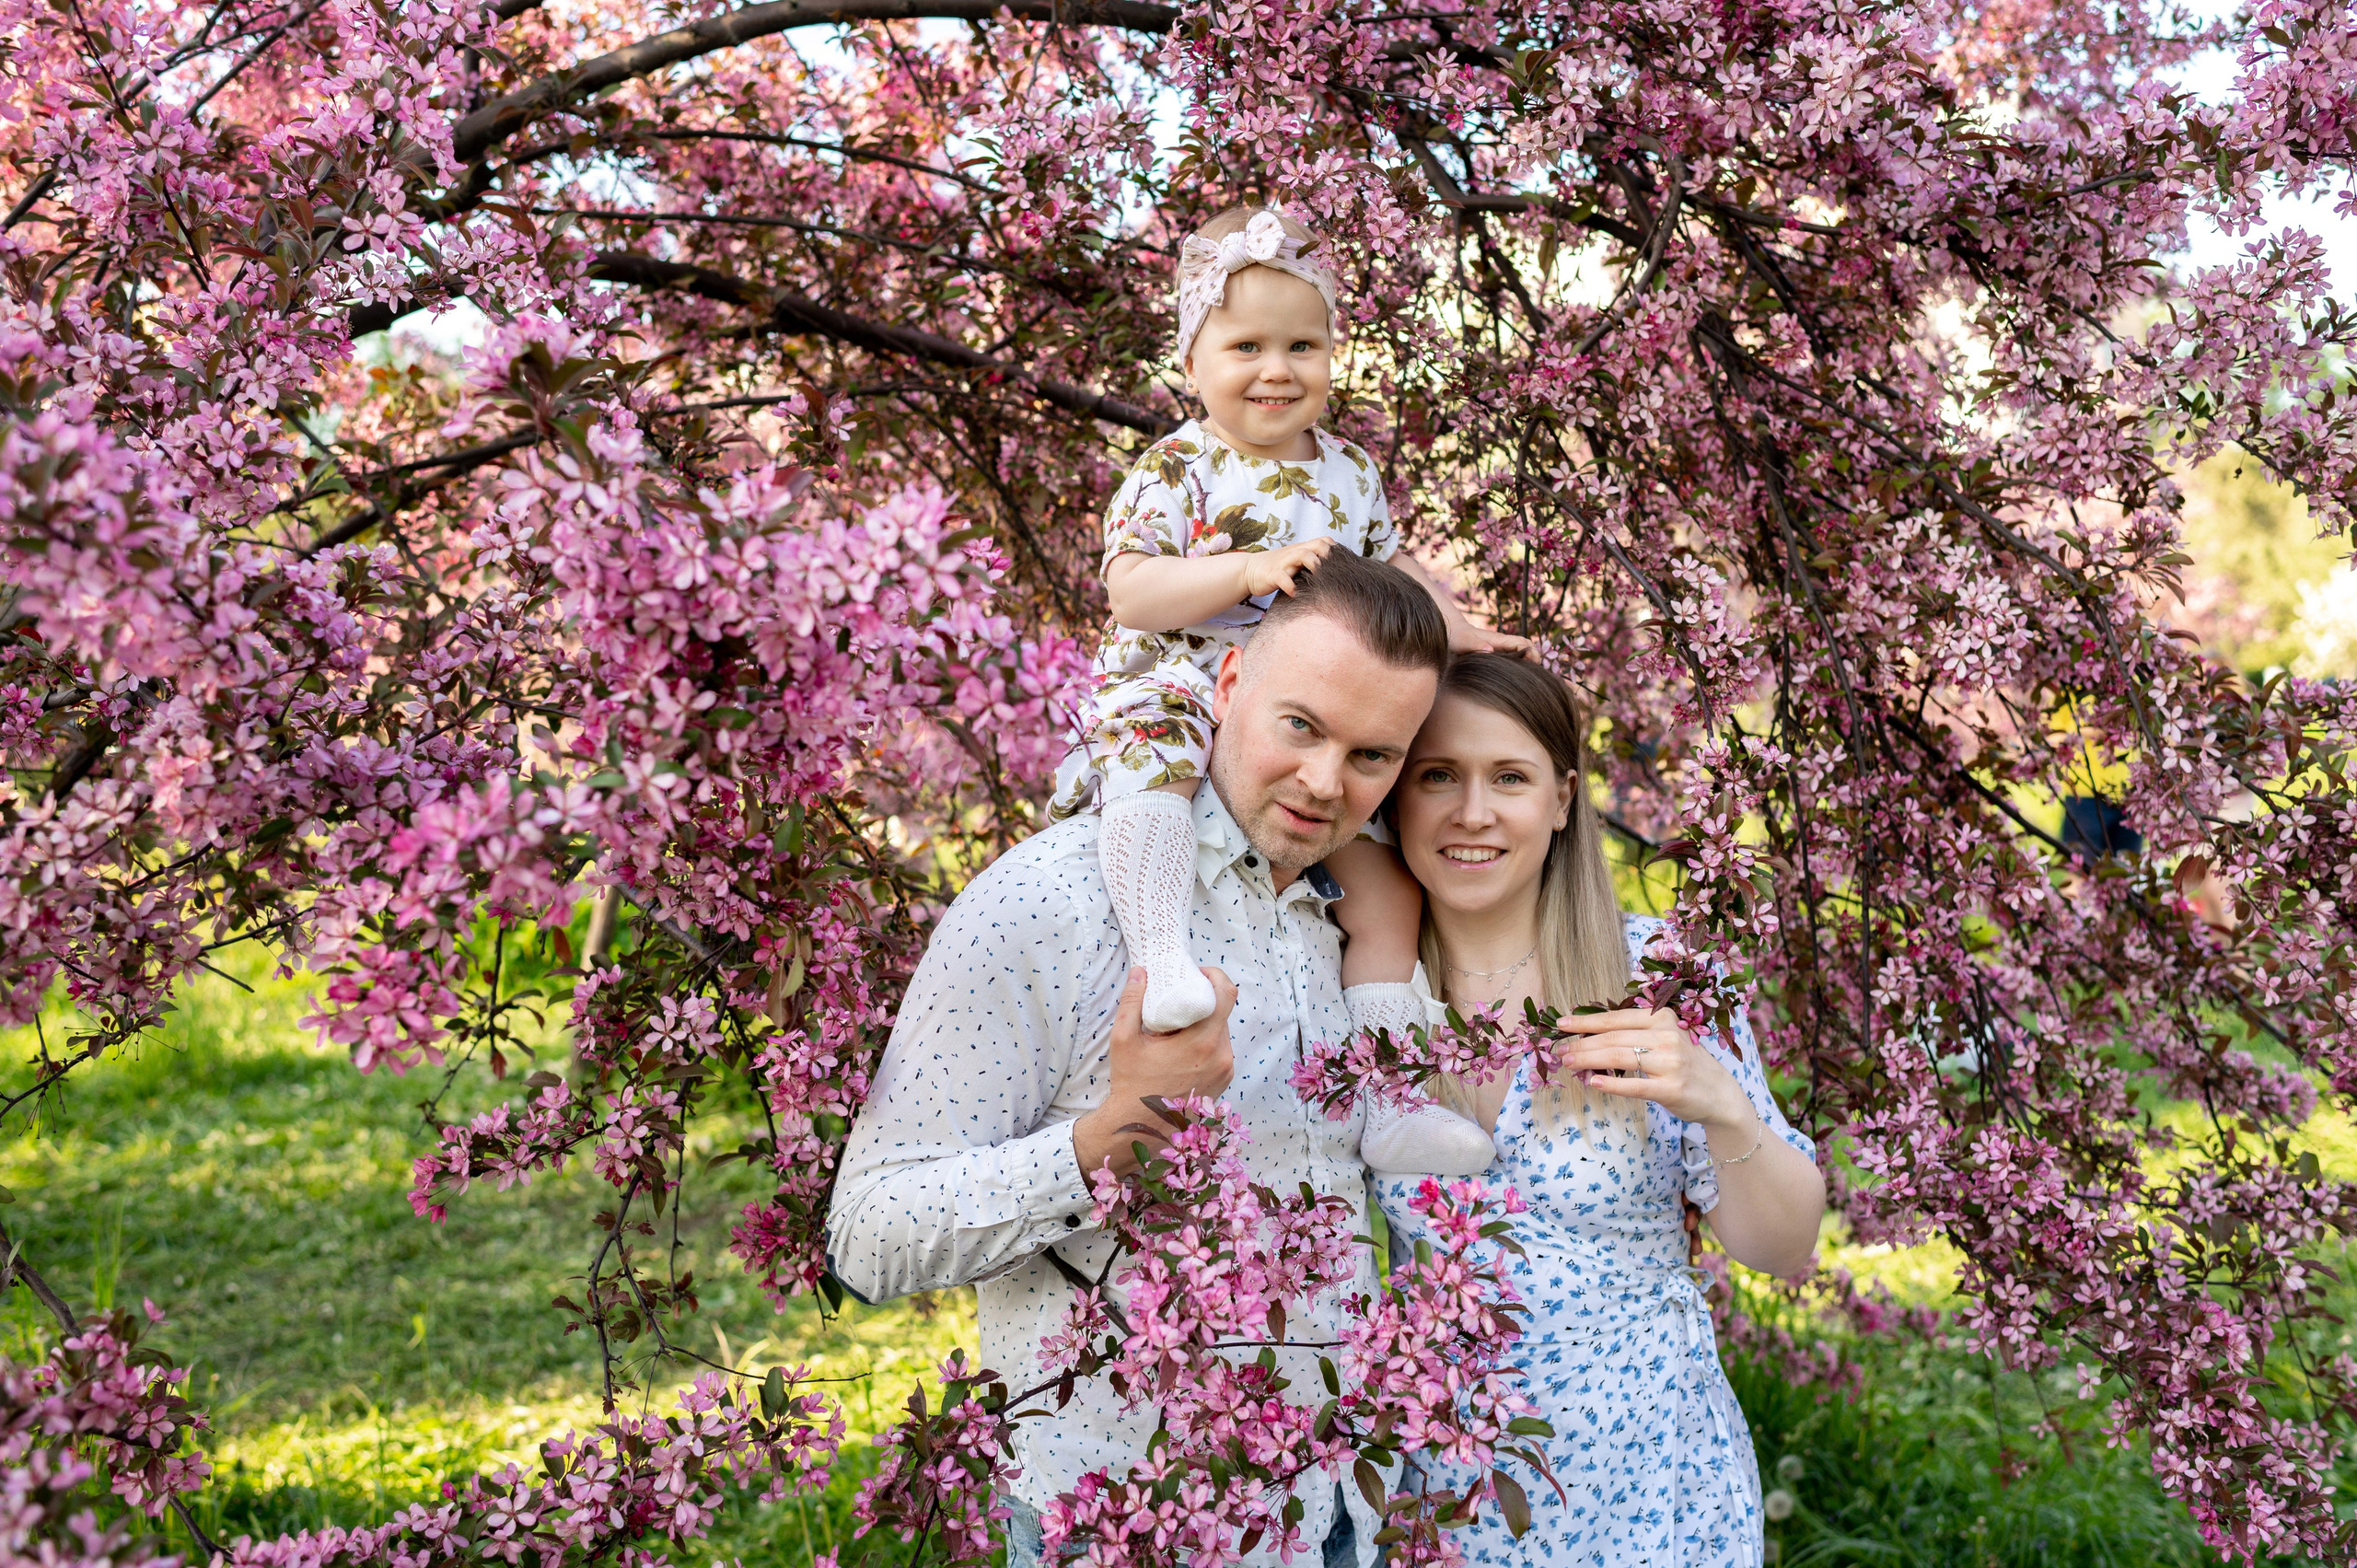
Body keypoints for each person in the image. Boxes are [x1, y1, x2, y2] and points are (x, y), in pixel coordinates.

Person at [827, 549, 1455, 1568]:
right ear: (1228, 680)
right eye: (1301, 725)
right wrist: (1099, 1144)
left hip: (1338, 1516)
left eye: (1373, 754)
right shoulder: (1052, 901)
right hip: (1125, 1524)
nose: (1324, 782)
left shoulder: (1354, 912)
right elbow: (865, 1234)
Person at [1047, 203, 1513, 1174]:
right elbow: (1130, 590)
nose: (1276, 369)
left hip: (1320, 712)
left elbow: (1394, 580)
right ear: (1192, 357)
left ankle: (1387, 1095)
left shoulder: (1349, 471)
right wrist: (1244, 574)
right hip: (1182, 675)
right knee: (1155, 776)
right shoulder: (1179, 465)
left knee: (1385, 885)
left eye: (1303, 344)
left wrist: (1466, 633)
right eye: (1246, 344)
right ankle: (1166, 958)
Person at [1369, 654, 1827, 1566]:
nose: (1471, 811)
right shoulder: (1366, 997)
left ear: (1562, 796)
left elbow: (1786, 1248)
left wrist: (1720, 1105)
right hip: (1450, 1497)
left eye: (1509, 776)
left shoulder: (1648, 974)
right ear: (1395, 796)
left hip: (1648, 1490)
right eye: (1437, 776)